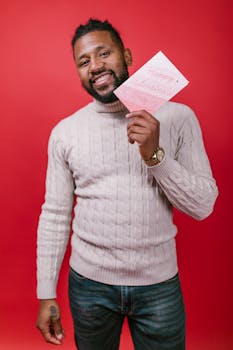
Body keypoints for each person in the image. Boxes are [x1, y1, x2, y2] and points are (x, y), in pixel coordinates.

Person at [36, 18, 218, 350]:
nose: (95, 66)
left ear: (128, 56)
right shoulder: (65, 132)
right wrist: (46, 292)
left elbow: (203, 206)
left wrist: (156, 157)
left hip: (159, 286)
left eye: (104, 53)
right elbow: (55, 215)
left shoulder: (178, 117)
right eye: (84, 61)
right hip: (89, 287)